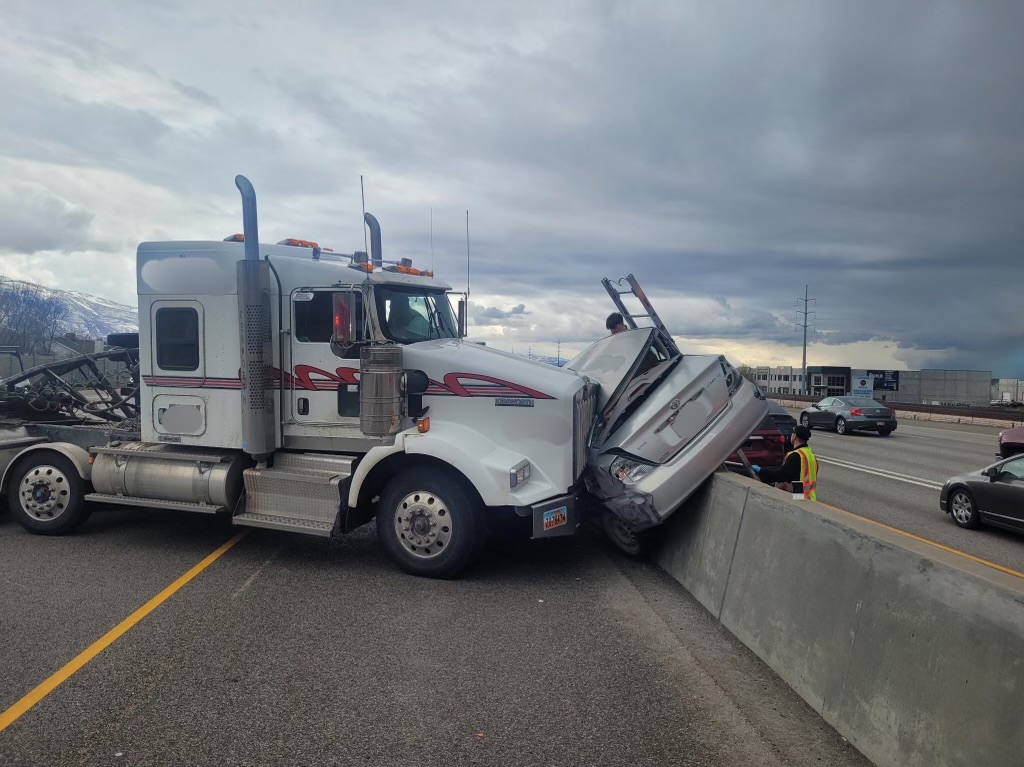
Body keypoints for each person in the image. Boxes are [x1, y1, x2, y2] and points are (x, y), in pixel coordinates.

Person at [751, 424, 818, 501]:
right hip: (810, 499)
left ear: (795, 436)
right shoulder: (811, 455)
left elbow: (781, 475)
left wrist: (761, 471)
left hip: (798, 498)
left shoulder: (796, 456)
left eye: (792, 434)